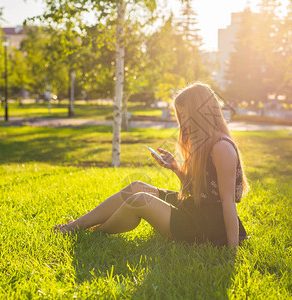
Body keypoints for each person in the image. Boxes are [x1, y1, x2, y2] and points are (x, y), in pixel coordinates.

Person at [54, 82, 249, 247]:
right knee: (137, 187)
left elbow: (227, 202)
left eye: (185, 115)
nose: (183, 123)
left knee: (139, 200)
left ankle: (94, 230)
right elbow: (197, 189)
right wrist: (175, 168)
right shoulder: (204, 142)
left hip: (207, 226)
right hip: (195, 209)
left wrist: (232, 251)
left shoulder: (222, 148)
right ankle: (77, 225)